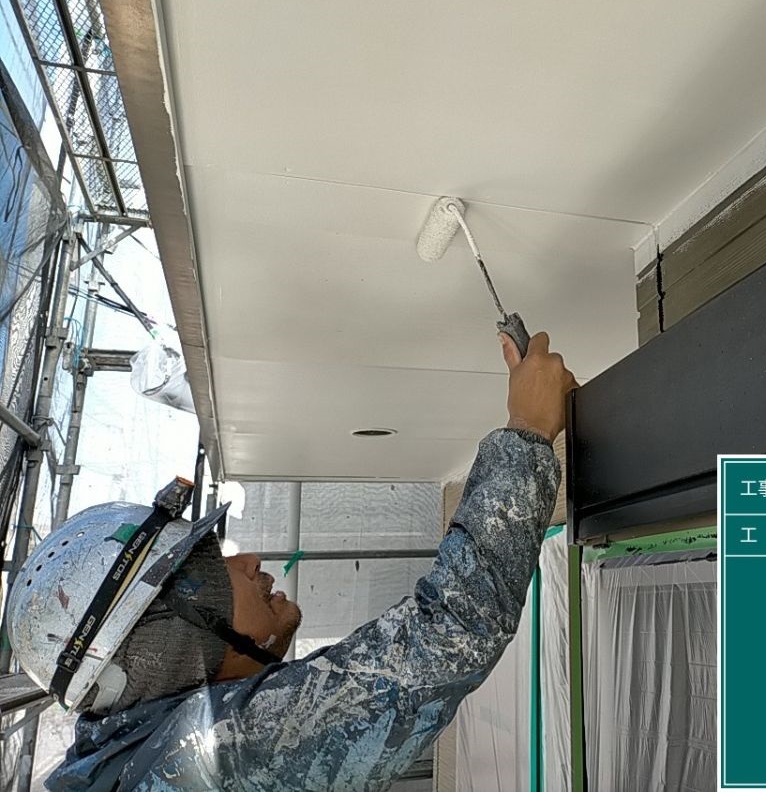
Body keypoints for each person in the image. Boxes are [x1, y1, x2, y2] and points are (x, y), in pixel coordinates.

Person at [4, 331, 576, 791]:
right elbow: (446, 633)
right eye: (209, 570)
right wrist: (527, 430)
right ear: (171, 646)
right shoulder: (202, 760)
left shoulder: (124, 761)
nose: (249, 560)